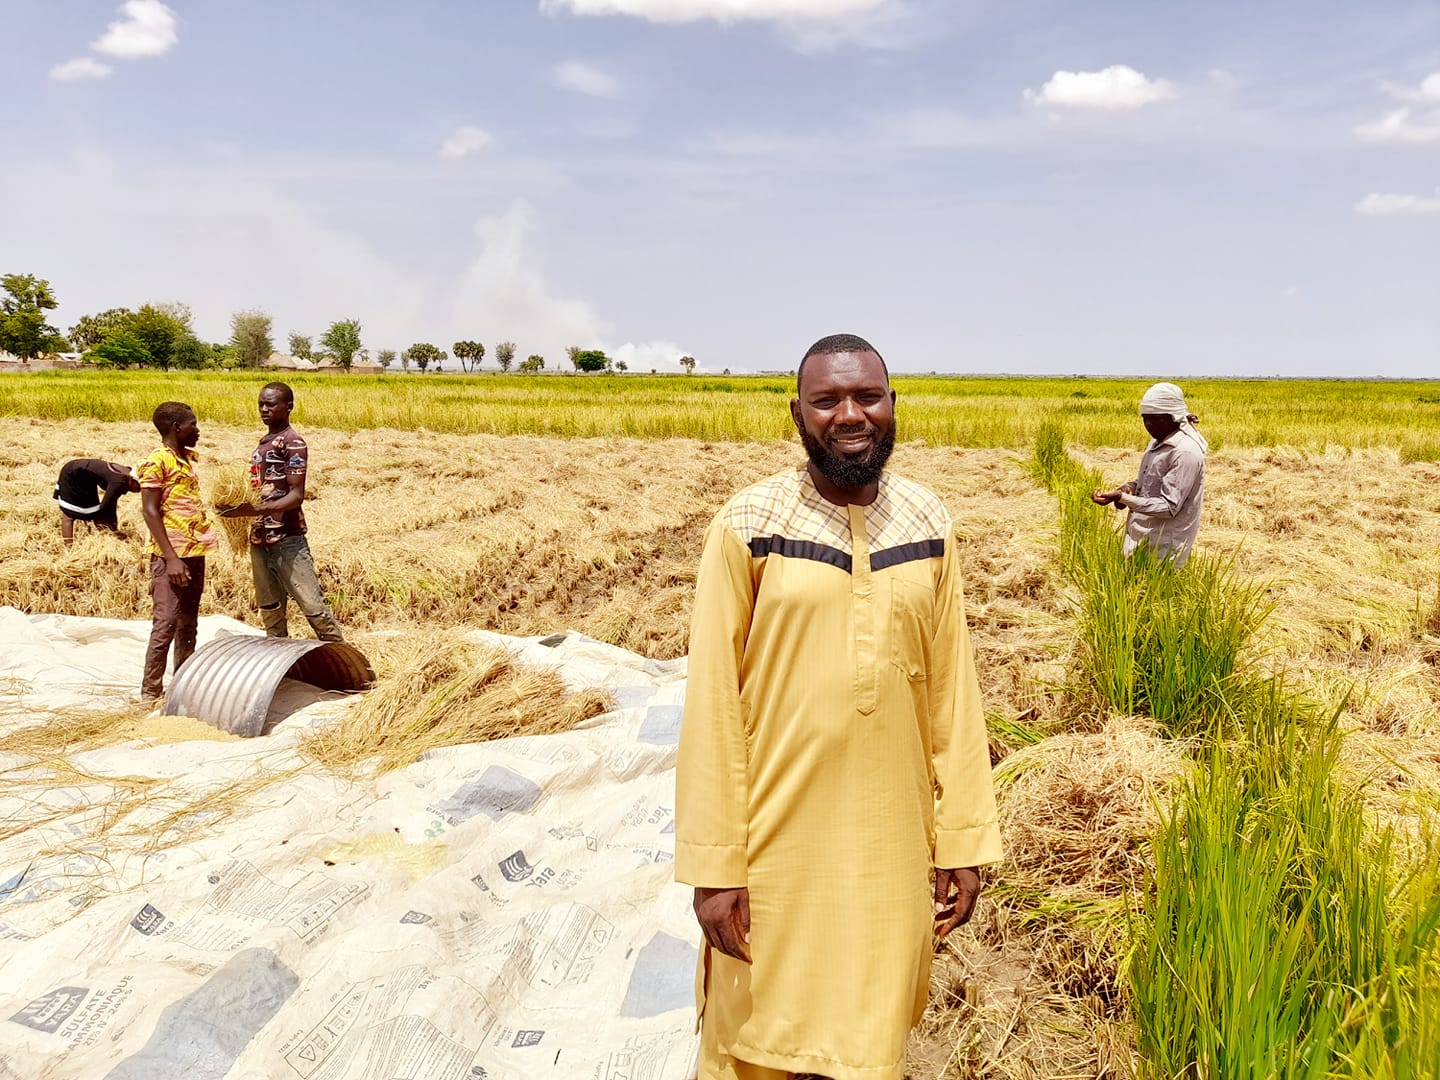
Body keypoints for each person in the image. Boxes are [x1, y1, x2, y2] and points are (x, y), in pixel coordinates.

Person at [676, 334, 1003, 1080]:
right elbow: (712, 708)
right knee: (756, 1038)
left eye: (867, 397)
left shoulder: (928, 522)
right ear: (798, 413)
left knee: (870, 1042)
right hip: (772, 854)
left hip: (890, 854)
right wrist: (714, 864)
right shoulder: (747, 524)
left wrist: (962, 839)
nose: (849, 415)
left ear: (892, 407)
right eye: (827, 400)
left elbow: (954, 690)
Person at [221, 382, 343, 641]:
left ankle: (344, 663)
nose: (264, 409)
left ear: (289, 407)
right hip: (259, 539)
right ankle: (279, 667)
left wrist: (252, 509)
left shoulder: (293, 442)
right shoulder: (263, 444)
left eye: (271, 404)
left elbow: (296, 496)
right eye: (261, 404)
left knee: (313, 606)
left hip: (287, 539)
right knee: (270, 609)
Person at [137, 402, 220, 703]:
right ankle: (150, 693)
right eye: (193, 425)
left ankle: (182, 687)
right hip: (169, 556)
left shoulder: (187, 460)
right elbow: (149, 511)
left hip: (194, 552)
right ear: (176, 428)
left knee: (188, 622)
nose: (197, 430)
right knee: (166, 622)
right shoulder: (157, 462)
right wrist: (171, 558)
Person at [1091, 381, 1208, 567]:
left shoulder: (1185, 452)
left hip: (1165, 549)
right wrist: (1128, 489)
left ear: (1174, 417)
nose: (1149, 424)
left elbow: (1169, 507)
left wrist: (1123, 498)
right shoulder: (1157, 441)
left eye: (1156, 419)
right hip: (1143, 538)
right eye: (1145, 418)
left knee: (1157, 594)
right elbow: (1147, 483)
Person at [54, 458, 139, 544]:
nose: (139, 491)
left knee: (94, 510)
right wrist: (113, 529)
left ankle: (108, 536)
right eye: (138, 488)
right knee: (69, 515)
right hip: (73, 474)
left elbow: (111, 502)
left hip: (86, 479)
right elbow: (106, 506)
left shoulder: (126, 473)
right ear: (133, 480)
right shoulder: (119, 482)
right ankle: (69, 549)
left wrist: (113, 528)